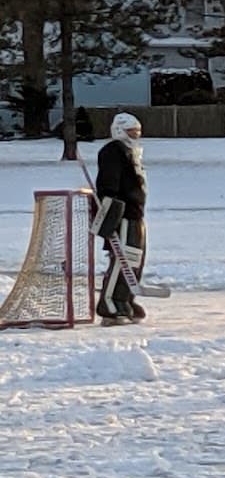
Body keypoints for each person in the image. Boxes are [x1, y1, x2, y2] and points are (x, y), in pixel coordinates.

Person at [93, 112, 149, 326]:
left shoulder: (132, 152)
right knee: (123, 260)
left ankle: (125, 300)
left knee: (134, 261)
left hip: (136, 214)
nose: (135, 135)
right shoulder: (113, 151)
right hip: (123, 214)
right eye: (131, 132)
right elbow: (109, 186)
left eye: (137, 132)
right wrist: (111, 214)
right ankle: (110, 305)